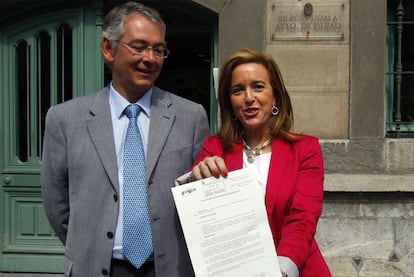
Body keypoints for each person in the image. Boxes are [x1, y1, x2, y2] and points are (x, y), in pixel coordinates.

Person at [41, 2, 209, 276]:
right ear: (109, 48)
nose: (150, 58)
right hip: (96, 267)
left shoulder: (190, 117)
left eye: (158, 49)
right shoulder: (65, 119)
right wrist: (89, 245)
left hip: (168, 268)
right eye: (139, 47)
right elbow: (56, 204)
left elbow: (199, 195)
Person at [186, 48, 331, 277]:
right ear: (229, 102)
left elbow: (303, 219)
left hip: (294, 270)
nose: (249, 98)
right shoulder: (214, 148)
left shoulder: (305, 149)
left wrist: (281, 270)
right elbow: (194, 214)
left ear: (275, 96)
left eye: (258, 86)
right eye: (238, 90)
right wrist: (195, 179)